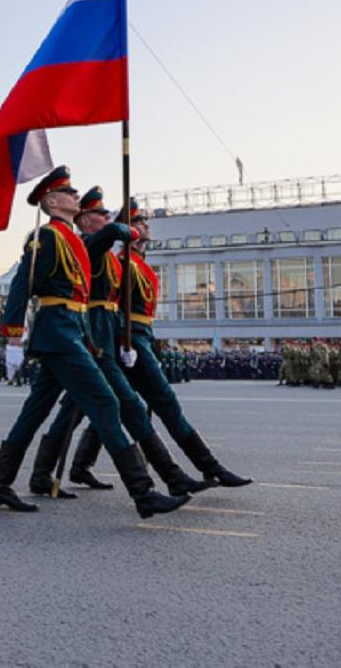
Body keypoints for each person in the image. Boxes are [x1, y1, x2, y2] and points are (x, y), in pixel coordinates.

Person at [0, 167, 190, 518]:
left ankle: (0, 484)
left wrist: (115, 229)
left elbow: (92, 258)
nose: (75, 196)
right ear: (51, 201)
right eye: (68, 192)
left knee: (34, 412)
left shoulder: (73, 241)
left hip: (72, 331)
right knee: (105, 402)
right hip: (58, 332)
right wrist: (13, 336)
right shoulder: (46, 237)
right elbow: (23, 282)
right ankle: (143, 493)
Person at [26, 187, 209, 498]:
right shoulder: (86, 246)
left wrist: (122, 340)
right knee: (115, 406)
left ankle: (50, 473)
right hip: (87, 338)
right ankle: (162, 481)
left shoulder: (110, 258)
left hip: (99, 337)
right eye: (98, 214)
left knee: (71, 408)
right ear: (84, 221)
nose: (104, 217)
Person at [117, 199, 252, 488]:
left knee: (124, 407)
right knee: (163, 402)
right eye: (139, 222)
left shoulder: (140, 264)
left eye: (145, 221)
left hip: (143, 337)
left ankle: (78, 465)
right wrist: (123, 341)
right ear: (127, 230)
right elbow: (115, 308)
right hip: (131, 340)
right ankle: (209, 467)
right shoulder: (122, 263)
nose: (146, 225)